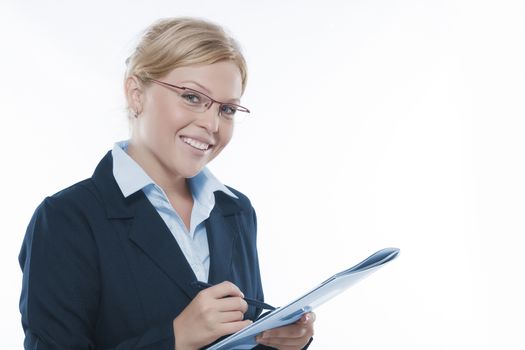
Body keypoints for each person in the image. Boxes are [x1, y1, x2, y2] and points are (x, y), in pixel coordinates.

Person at [18, 17, 315, 350]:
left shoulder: (236, 210)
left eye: (227, 109)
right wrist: (175, 339)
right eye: (191, 97)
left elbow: (238, 340)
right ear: (136, 94)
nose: (211, 124)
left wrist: (279, 342)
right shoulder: (66, 219)